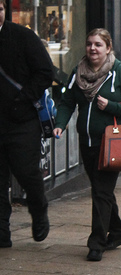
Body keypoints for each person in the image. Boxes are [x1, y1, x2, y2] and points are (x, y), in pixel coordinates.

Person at [52, 28, 121, 261]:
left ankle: (97, 243)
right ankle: (118, 231)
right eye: (90, 43)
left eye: (98, 44)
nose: (93, 48)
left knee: (101, 191)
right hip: (87, 141)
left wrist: (110, 106)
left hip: (111, 142)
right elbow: (67, 102)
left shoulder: (120, 72)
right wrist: (60, 124)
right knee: (102, 191)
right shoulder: (78, 72)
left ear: (108, 48)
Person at [0, 0, 54, 249]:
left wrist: (23, 100)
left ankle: (39, 209)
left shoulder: (22, 36)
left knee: (26, 172)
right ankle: (2, 233)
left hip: (21, 121)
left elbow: (45, 72)